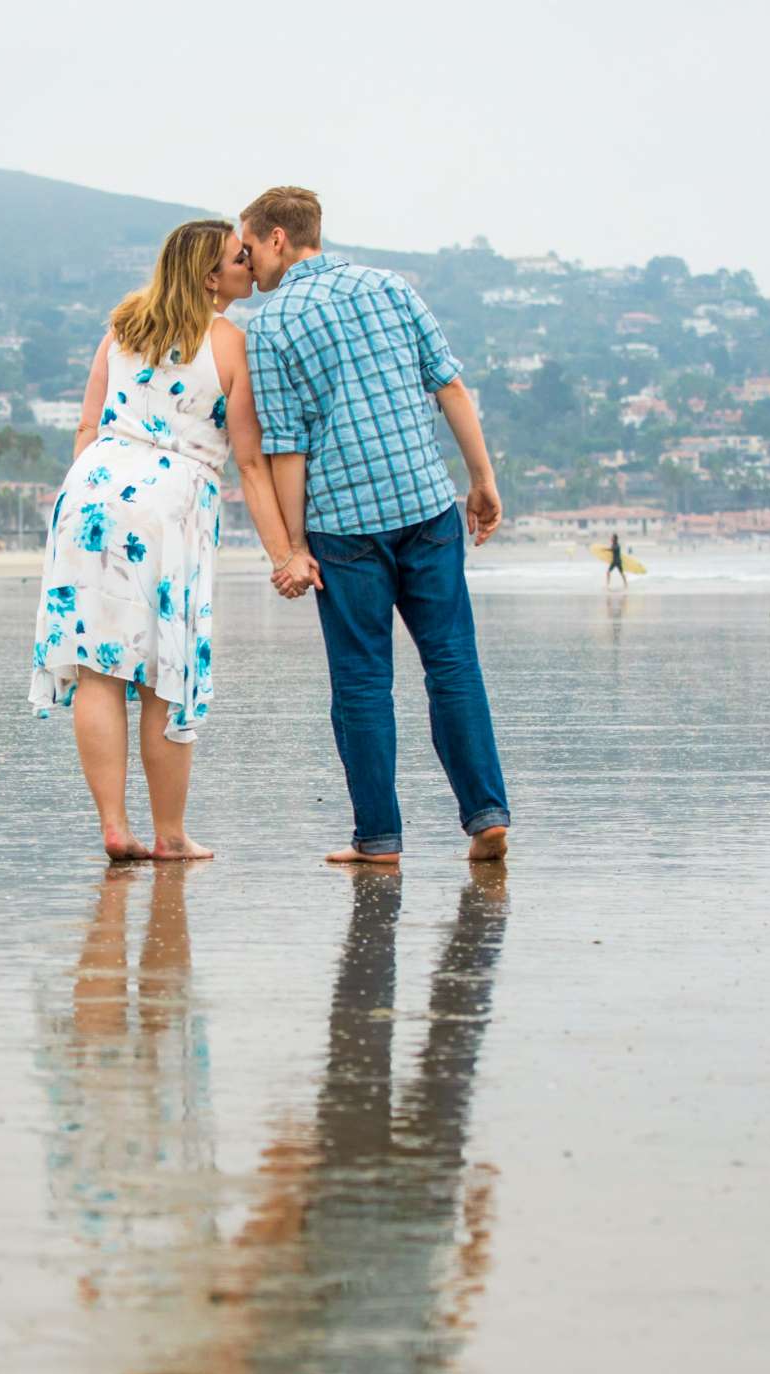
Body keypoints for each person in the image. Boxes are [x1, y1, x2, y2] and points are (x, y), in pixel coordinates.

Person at [239, 186, 511, 866]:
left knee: (362, 682)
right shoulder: (391, 288)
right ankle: (485, 815)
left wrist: (296, 543)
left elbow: (288, 447)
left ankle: (379, 839)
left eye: (250, 246)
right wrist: (481, 480)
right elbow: (448, 386)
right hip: (426, 504)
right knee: (453, 663)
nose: (249, 263)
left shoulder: (269, 328)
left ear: (278, 238)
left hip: (344, 528)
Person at [27, 218, 294, 862]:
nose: (249, 263)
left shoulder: (123, 326)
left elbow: (87, 425)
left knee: (97, 668)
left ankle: (115, 827)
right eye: (238, 257)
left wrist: (94, 489)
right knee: (163, 676)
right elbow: (252, 461)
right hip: (166, 505)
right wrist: (286, 551)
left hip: (90, 491)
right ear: (210, 277)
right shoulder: (230, 343)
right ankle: (170, 833)